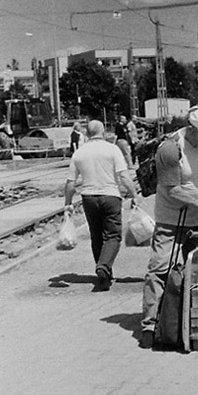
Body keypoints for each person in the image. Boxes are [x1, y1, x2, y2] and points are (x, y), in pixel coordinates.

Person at [140, 107, 198, 348]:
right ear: (190, 127)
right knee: (160, 268)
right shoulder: (171, 149)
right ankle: (151, 324)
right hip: (172, 221)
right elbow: (173, 189)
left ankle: (191, 320)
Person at [63, 120, 140, 291]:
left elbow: (70, 183)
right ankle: (104, 267)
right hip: (110, 196)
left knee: (96, 236)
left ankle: (104, 276)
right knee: (112, 236)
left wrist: (68, 203)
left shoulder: (79, 153)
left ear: (87, 133)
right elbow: (124, 176)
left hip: (88, 197)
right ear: (103, 131)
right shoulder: (112, 150)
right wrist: (134, 195)